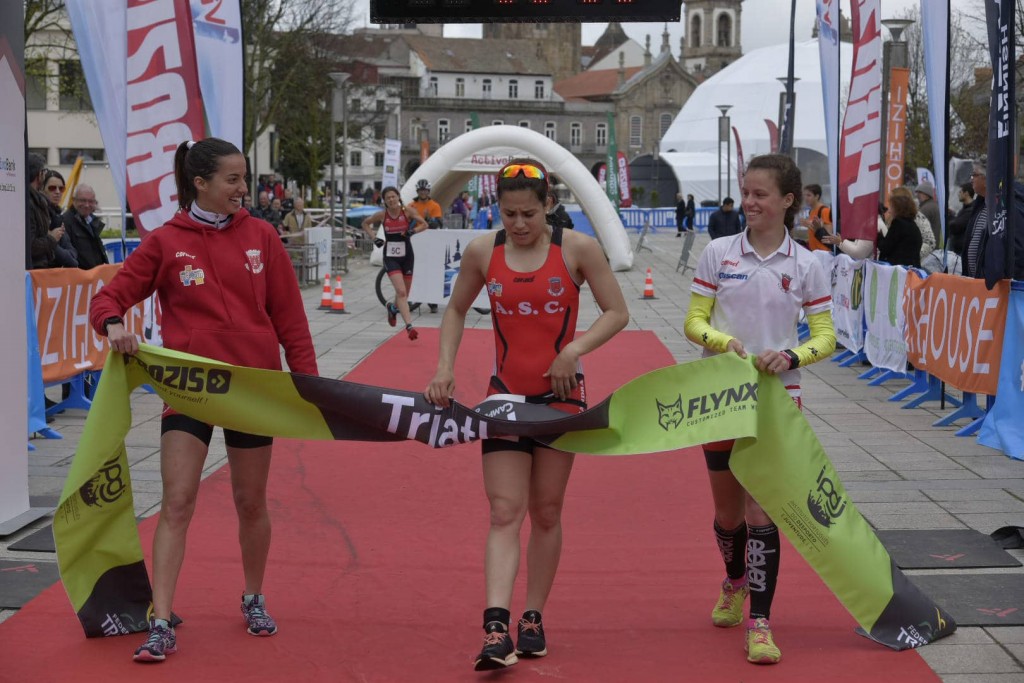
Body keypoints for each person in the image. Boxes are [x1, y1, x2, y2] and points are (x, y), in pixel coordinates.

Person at [89, 137, 318, 663]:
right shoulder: (167, 240)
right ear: (201, 183)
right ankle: (162, 618)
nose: (245, 189)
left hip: (254, 392)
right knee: (177, 502)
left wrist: (308, 386)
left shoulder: (263, 235)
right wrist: (115, 324)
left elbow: (290, 320)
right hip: (190, 391)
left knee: (250, 502)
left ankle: (254, 597)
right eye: (234, 180)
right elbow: (109, 297)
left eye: (245, 179)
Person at [424, 158, 629, 672]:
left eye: (529, 214)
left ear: (549, 207)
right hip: (504, 399)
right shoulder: (481, 251)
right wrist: (444, 367)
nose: (518, 224)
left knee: (546, 511)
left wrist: (573, 350)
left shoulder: (577, 250)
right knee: (503, 510)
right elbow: (453, 310)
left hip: (561, 401)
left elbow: (617, 312)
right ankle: (496, 625)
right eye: (510, 213)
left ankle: (532, 617)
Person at [684, 153, 836, 666]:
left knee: (761, 510)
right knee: (728, 515)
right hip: (719, 398)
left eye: (759, 195)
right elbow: (693, 323)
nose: (748, 202)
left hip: (777, 402)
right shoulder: (719, 252)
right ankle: (733, 582)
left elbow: (826, 337)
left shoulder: (807, 263)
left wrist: (790, 355)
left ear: (787, 201)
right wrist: (723, 342)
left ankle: (761, 621)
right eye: (745, 192)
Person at [361, 186, 428, 340]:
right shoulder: (382, 215)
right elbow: (365, 223)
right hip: (391, 256)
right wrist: (374, 237)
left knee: (405, 292)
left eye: (393, 196)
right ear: (384, 201)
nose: (391, 200)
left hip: (407, 256)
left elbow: (424, 224)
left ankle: (392, 308)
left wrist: (412, 231)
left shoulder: (408, 212)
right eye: (388, 198)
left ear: (398, 197)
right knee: (401, 292)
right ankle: (409, 326)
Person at [410, 179, 444, 312]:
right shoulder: (412, 205)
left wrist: (430, 220)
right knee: (414, 271)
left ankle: (432, 301)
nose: (423, 193)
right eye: (420, 191)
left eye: (425, 191)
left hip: (429, 242)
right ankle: (413, 296)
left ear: (428, 191)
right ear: (418, 192)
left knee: (432, 272)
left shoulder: (434, 205)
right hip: (415, 241)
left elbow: (438, 224)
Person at [63, 183, 109, 269]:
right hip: (79, 279)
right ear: (74, 200)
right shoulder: (65, 221)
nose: (87, 205)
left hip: (94, 277)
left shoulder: (91, 220)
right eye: (83, 200)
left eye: (91, 201)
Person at [878, 187, 923, 268]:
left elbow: (885, 247)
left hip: (899, 273)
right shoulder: (912, 225)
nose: (889, 209)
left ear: (897, 205)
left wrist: (878, 236)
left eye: (891, 204)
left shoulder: (898, 224)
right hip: (911, 271)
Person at [798, 184, 833, 252]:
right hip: (814, 251)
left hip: (824, 252)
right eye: (804, 195)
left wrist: (810, 224)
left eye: (809, 195)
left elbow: (828, 235)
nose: (805, 198)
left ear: (817, 196)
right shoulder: (811, 211)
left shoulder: (824, 210)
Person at [948, 182, 975, 256]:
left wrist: (949, 216)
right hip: (957, 249)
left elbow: (956, 226)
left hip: (961, 251)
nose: (958, 194)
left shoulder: (971, 211)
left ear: (966, 193)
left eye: (960, 192)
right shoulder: (963, 210)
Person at [915, 181, 942, 247]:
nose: (917, 195)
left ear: (926, 194)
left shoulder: (926, 208)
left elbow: (917, 227)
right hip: (933, 245)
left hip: (926, 247)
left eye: (919, 192)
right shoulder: (933, 205)